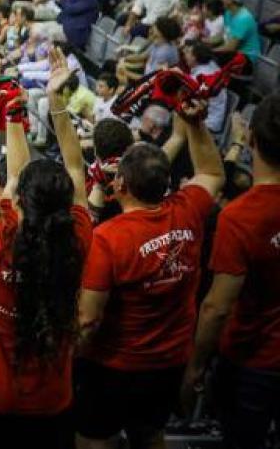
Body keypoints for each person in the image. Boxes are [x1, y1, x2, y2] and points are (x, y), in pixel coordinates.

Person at [0, 49, 91, 448]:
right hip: (50, 404)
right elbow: (76, 168)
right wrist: (54, 102)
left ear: (17, 203)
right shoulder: (77, 238)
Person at [76, 109, 224, 449]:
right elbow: (212, 172)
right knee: (150, 435)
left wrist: (68, 359)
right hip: (169, 362)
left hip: (113, 365)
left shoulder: (108, 239)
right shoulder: (187, 209)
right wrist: (195, 122)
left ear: (120, 185)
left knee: (94, 440)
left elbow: (88, 320)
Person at [182, 94, 280, 449]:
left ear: (250, 138)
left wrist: (195, 367)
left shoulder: (240, 217)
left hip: (253, 362)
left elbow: (216, 308)